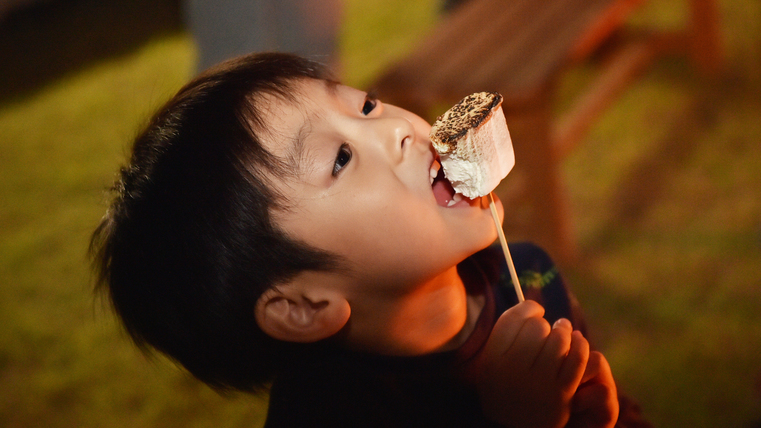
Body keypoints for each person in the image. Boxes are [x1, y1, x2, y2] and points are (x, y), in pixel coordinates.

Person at [91, 52, 637, 427]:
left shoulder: (530, 275)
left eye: (367, 105)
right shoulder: (333, 415)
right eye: (341, 158)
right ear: (303, 305)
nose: (396, 128)